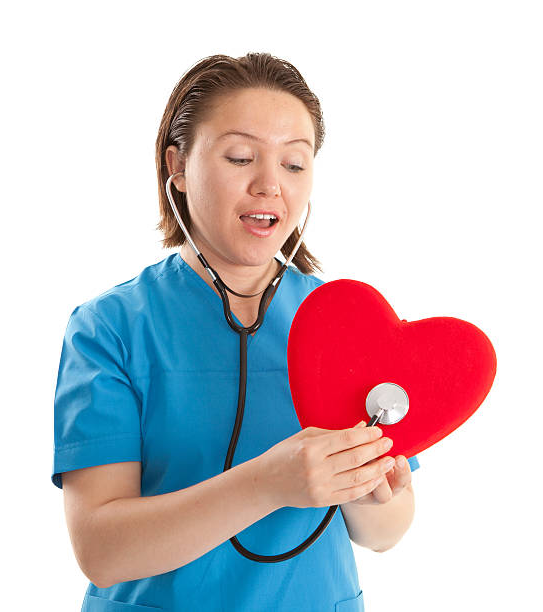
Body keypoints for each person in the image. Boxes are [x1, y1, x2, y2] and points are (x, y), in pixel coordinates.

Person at [52, 52, 420, 612]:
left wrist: (368, 493)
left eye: (294, 165)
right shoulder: (110, 328)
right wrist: (270, 483)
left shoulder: (345, 318)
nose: (269, 185)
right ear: (176, 165)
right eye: (241, 157)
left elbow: (384, 532)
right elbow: (102, 550)